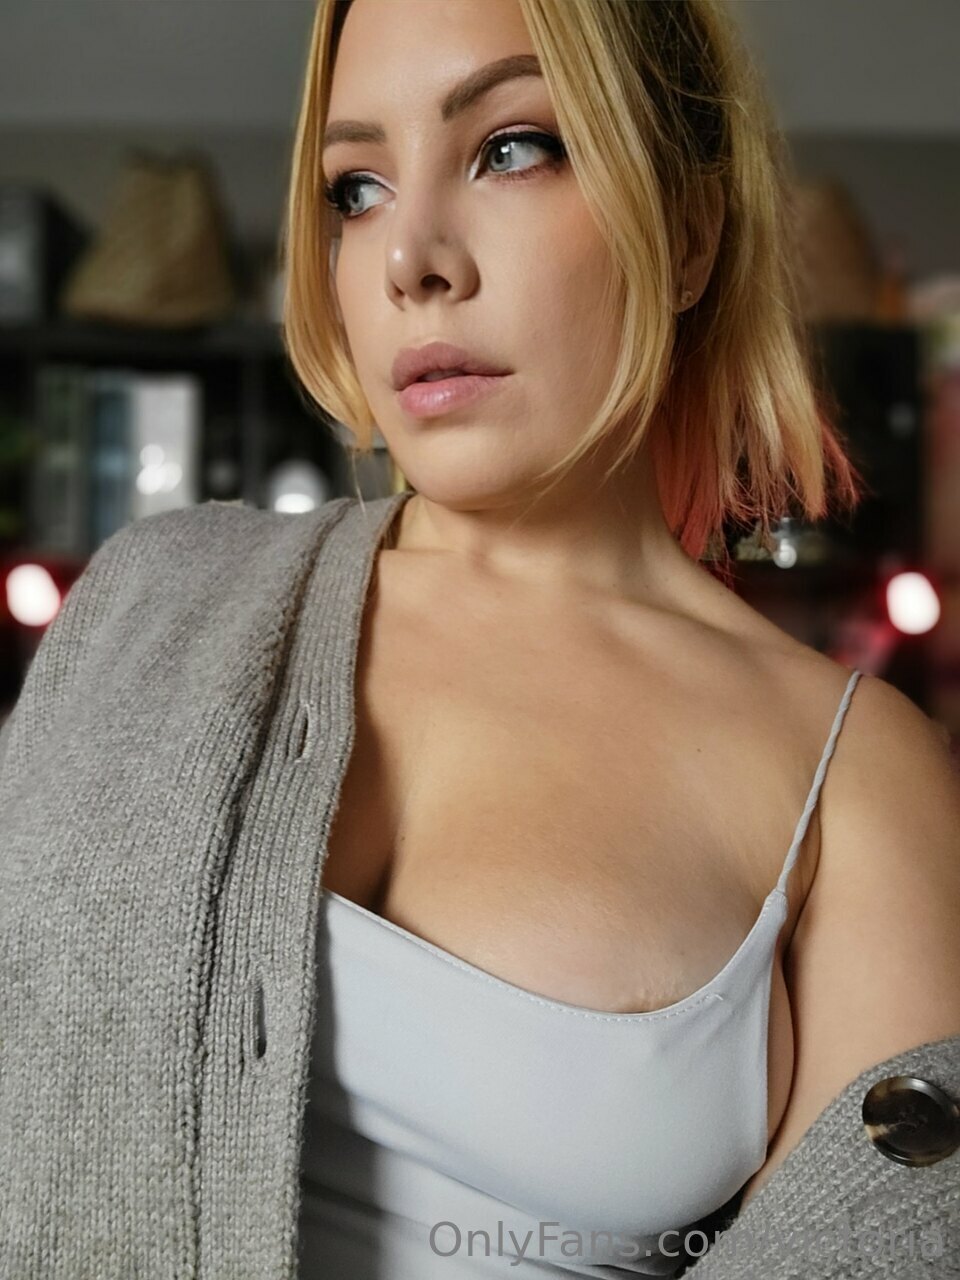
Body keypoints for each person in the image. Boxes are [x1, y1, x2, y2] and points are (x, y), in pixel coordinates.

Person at [1, 1, 957, 1277]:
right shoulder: (154, 598)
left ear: (686, 231)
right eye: (356, 189)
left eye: (512, 149)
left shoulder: (856, 774)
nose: (411, 259)